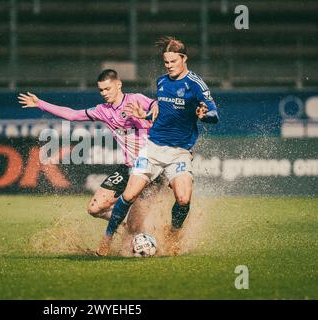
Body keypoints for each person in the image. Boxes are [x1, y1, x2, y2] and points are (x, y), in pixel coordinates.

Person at [96, 36, 219, 256]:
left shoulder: (196, 84)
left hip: (180, 152)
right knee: (129, 195)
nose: (169, 66)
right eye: (166, 62)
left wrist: (204, 114)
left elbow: (214, 114)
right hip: (153, 147)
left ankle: (174, 234)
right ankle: (107, 238)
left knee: (183, 198)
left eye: (173, 61)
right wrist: (145, 115)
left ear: (184, 59)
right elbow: (161, 111)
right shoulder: (162, 82)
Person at [18, 69, 158, 226]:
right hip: (128, 168)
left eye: (107, 89)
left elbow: (158, 106)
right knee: (94, 208)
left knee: (138, 225)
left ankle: (147, 233)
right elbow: (73, 115)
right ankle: (123, 221)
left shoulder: (135, 99)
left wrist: (146, 114)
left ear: (118, 85)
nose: (104, 93)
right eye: (101, 90)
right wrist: (40, 104)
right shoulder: (102, 110)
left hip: (150, 167)